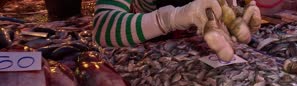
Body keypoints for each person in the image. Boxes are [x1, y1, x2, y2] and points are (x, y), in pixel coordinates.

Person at [92, 0, 261, 54]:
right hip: (151, 67)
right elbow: (103, 28)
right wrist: (170, 19)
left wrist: (236, 18)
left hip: (205, 69)